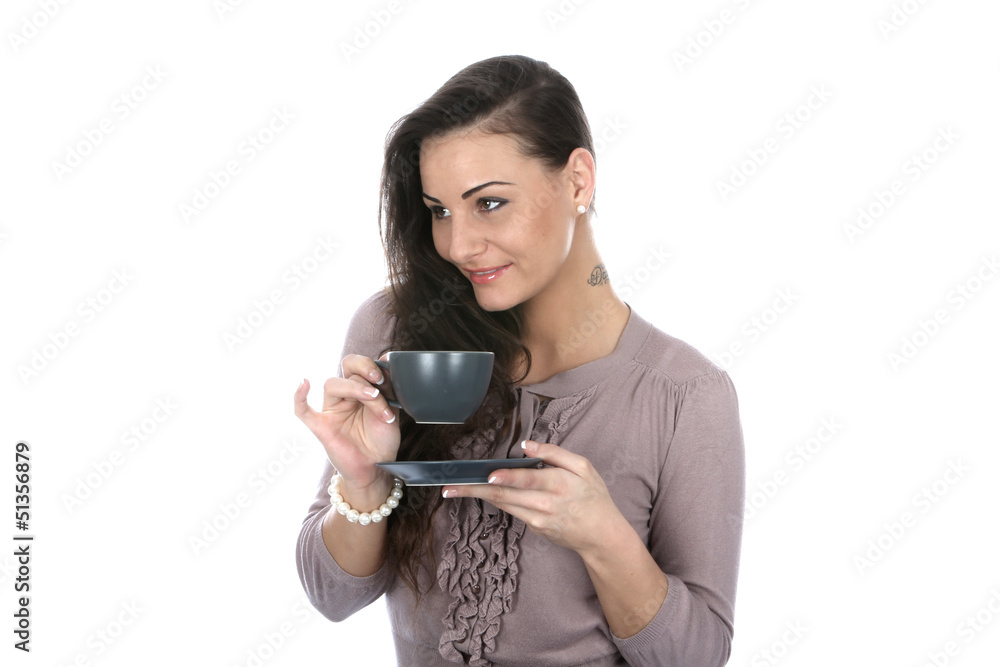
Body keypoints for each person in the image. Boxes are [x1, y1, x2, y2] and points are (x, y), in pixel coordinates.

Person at [294, 55, 745, 666]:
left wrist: (605, 540)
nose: (457, 245)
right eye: (439, 211)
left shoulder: (683, 395)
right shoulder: (397, 334)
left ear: (579, 181)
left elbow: (695, 657)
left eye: (489, 204)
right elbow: (331, 595)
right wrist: (363, 480)